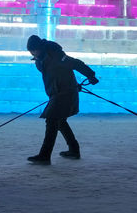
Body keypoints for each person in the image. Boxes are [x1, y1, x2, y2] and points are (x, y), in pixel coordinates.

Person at [26, 34, 99, 165]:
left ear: (39, 48)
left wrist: (90, 75)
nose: (32, 53)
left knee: (52, 120)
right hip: (57, 94)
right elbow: (56, 75)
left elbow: (75, 63)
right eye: (30, 51)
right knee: (59, 122)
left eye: (33, 50)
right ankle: (74, 149)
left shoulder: (57, 55)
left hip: (65, 93)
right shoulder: (39, 61)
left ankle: (44, 155)